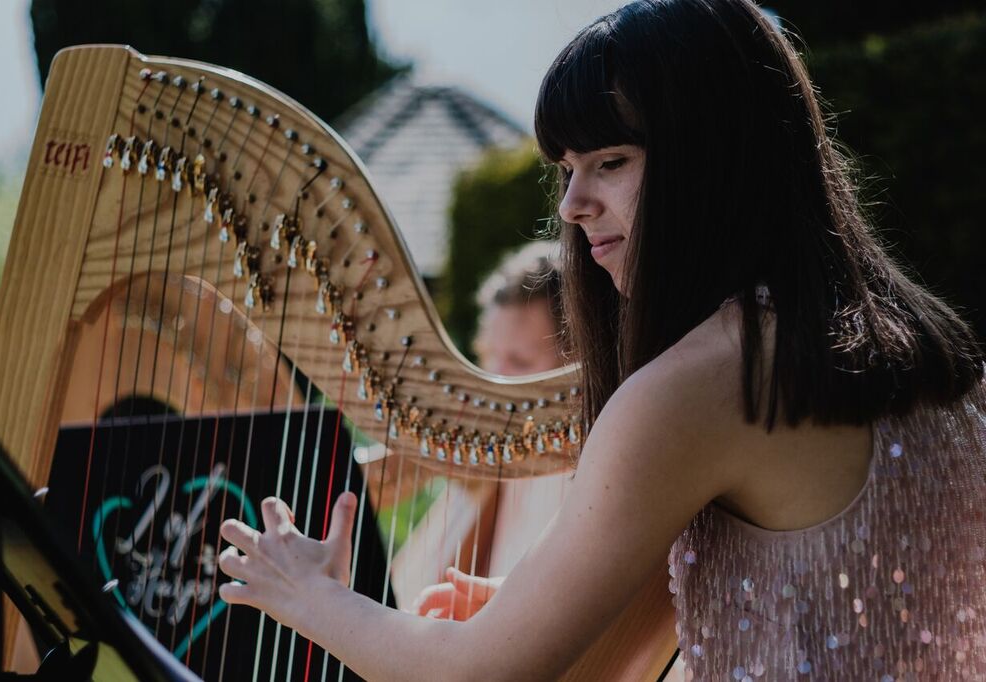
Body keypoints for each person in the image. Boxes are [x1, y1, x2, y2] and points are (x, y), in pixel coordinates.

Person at [217, 1, 986, 679]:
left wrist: (306, 594)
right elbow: (842, 610)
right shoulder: (919, 347)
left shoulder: (706, 382)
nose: (576, 206)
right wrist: (536, 607)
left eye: (611, 162)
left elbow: (476, 676)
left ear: (715, 162)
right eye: (567, 170)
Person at [414, 240, 572, 621]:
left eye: (518, 361)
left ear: (577, 367)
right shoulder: (486, 458)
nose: (495, 381)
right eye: (489, 355)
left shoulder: (582, 482)